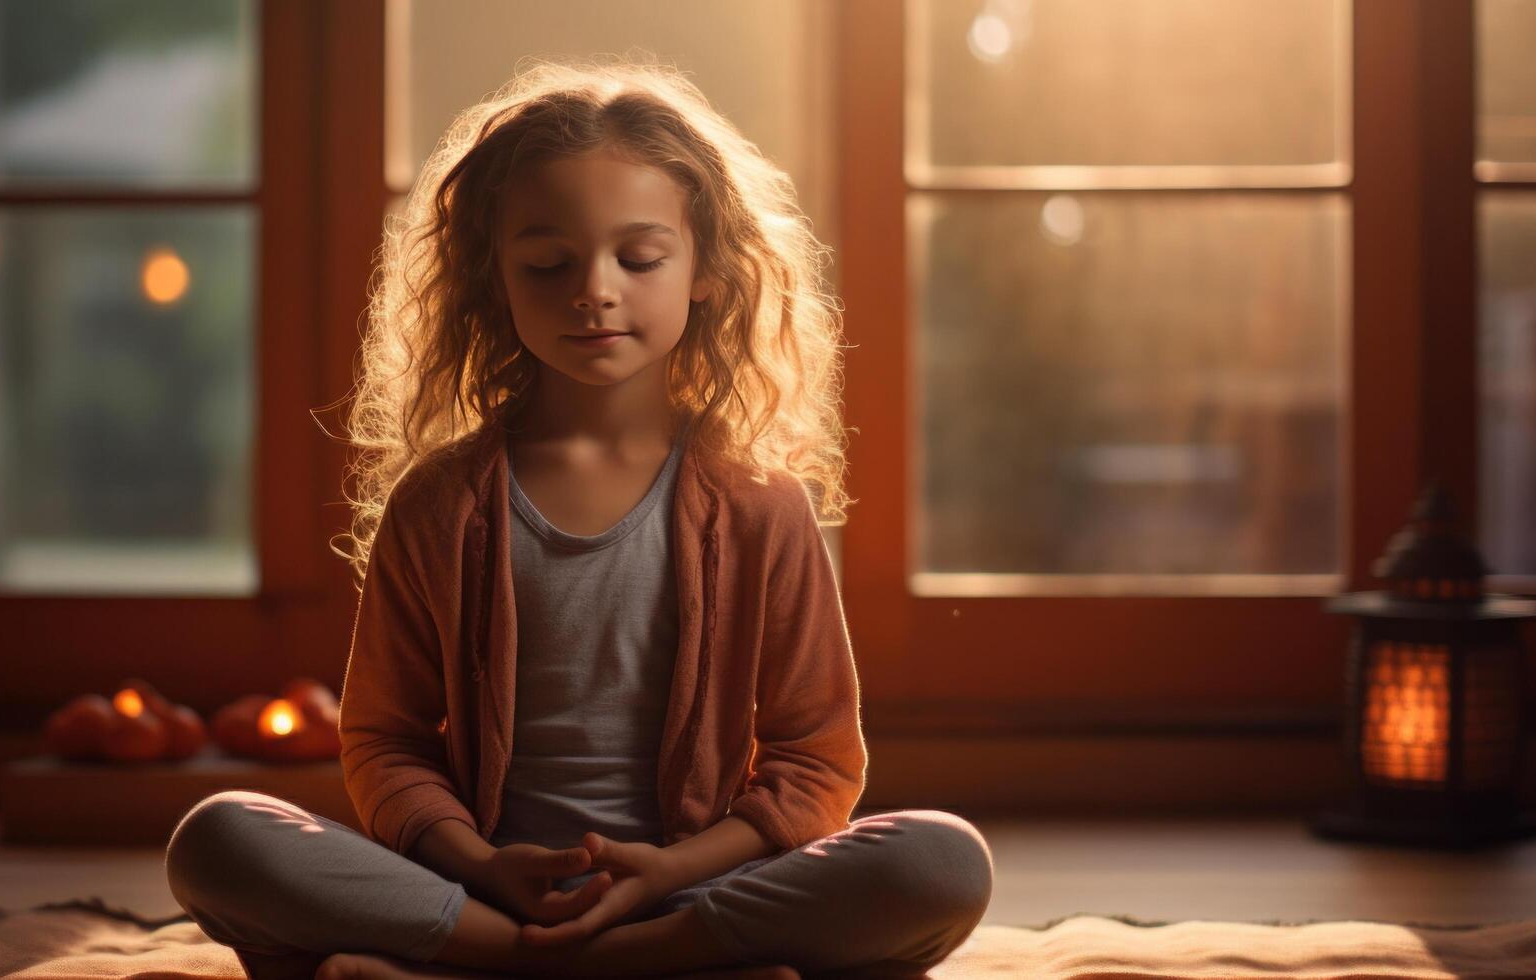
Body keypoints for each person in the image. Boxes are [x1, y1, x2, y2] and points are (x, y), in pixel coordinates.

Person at [166, 58, 993, 980]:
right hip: (477, 889)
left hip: (691, 889)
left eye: (639, 258)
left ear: (708, 273)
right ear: (494, 279)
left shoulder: (762, 503)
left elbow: (817, 761)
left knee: (940, 859)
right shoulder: (438, 503)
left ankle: (602, 954)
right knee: (221, 840)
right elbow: (386, 743)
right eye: (548, 263)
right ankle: (557, 957)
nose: (593, 289)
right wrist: (481, 866)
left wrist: (668, 875)